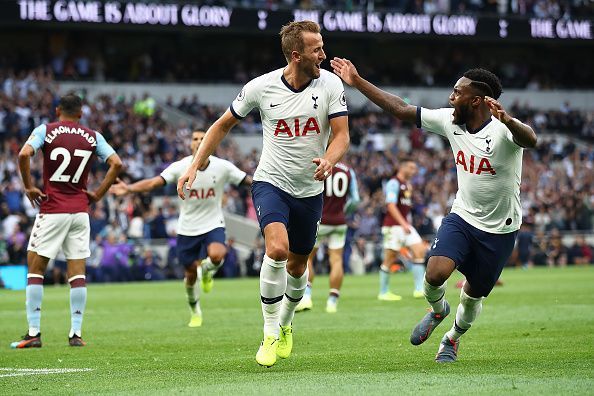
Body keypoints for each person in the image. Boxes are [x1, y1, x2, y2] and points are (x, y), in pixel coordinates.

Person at [331, 59, 536, 362]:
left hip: (500, 229)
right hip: (463, 217)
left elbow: (530, 139)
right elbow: (401, 109)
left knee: (472, 297)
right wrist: (357, 81)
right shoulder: (450, 121)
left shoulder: (504, 130)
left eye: (457, 92)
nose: (451, 98)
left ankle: (452, 338)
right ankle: (438, 310)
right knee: (435, 271)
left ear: (476, 100)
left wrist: (509, 121)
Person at [177, 21, 349, 367]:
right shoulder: (261, 87)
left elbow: (342, 135)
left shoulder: (330, 83)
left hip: (310, 189)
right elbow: (222, 124)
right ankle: (270, 332)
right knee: (277, 249)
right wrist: (196, 164)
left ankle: (286, 324)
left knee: (299, 267)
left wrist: (329, 160)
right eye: (317, 49)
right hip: (270, 182)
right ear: (296, 55)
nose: (324, 54)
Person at [11, 93, 122, 348]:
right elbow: (116, 163)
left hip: (53, 209)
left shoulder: (45, 130)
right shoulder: (93, 136)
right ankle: (75, 334)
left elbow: (24, 154)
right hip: (80, 211)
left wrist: (29, 187)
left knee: (36, 269)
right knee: (77, 273)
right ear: (81, 114)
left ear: (58, 109)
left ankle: (34, 333)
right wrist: (98, 193)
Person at [110, 130, 251, 327]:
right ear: (189, 144)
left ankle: (208, 271)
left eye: (204, 138)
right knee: (191, 274)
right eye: (195, 139)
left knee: (218, 255)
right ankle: (195, 311)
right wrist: (130, 188)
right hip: (187, 228)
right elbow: (153, 183)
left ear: (212, 142)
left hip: (213, 223)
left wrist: (270, 184)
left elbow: (247, 181)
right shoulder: (180, 167)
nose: (199, 141)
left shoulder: (223, 167)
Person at [296, 161, 360, 313]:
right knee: (336, 260)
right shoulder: (348, 170)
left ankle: (307, 296)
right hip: (339, 221)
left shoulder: (320, 166)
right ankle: (332, 302)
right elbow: (355, 200)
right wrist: (343, 211)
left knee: (308, 258)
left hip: (319, 219)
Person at [378, 158, 427, 301]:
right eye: (411, 168)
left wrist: (407, 223)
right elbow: (390, 205)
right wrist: (403, 223)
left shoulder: (407, 185)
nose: (414, 171)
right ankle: (383, 292)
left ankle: (419, 289)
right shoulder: (394, 183)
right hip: (393, 226)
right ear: (402, 167)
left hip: (405, 225)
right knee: (390, 258)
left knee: (419, 250)